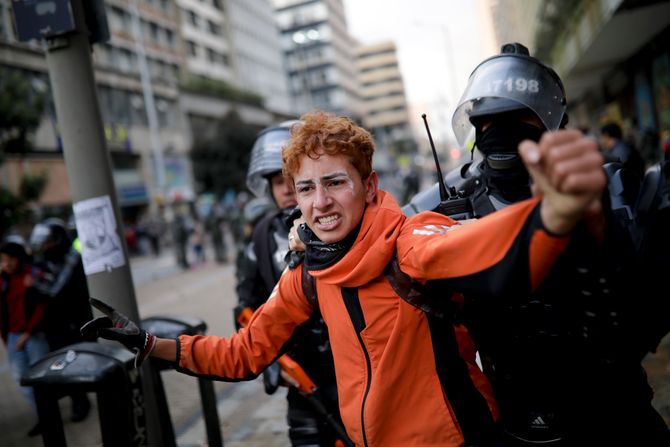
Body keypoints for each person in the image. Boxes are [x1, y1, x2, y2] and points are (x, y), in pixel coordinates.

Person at [82, 110, 606, 447]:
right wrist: (150, 344)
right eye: (306, 188)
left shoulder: (411, 240)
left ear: (368, 184)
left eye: (335, 182)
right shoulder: (310, 271)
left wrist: (551, 216)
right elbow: (244, 353)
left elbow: (479, 248)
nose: (320, 202)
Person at [405, 43, 670, 446]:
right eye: (490, 124)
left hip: (615, 409)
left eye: (518, 121)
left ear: (549, 125)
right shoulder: (442, 207)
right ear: (476, 128)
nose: (503, 137)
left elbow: (637, 301)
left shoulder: (601, 186)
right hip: (513, 419)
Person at [235, 120, 346, 446]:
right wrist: (270, 361)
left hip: (355, 373)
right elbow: (245, 308)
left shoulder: (336, 222)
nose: (284, 188)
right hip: (303, 384)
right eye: (274, 180)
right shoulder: (258, 239)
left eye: (288, 176)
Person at [30, 218, 92, 423]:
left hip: (73, 322)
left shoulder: (74, 259)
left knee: (74, 360)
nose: (45, 247)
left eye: (48, 242)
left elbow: (62, 291)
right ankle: (75, 396)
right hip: (54, 325)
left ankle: (81, 401)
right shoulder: (45, 262)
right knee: (61, 364)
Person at [0, 238, 50, 437]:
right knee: (21, 379)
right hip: (13, 336)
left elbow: (41, 307)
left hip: (34, 334)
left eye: (11, 259)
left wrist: (27, 333)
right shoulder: (3, 280)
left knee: (42, 378)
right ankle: (44, 416)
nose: (7, 263)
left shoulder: (32, 276)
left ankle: (48, 418)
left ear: (19, 258)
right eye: (3, 259)